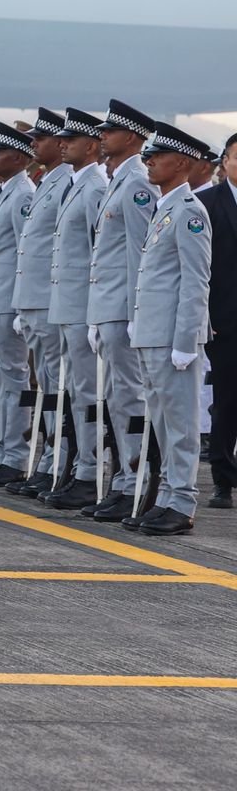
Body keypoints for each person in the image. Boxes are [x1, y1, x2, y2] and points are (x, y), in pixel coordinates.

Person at [126, 122, 213, 536]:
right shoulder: (165, 208)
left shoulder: (190, 211)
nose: (148, 162)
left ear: (180, 163)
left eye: (156, 157)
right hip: (152, 333)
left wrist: (185, 341)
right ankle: (165, 496)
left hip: (173, 338)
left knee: (180, 424)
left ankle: (182, 501)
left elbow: (195, 281)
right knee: (161, 422)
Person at [84, 99, 157, 519]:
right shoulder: (118, 181)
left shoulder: (137, 184)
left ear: (130, 137)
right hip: (107, 309)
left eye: (109, 132)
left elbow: (139, 255)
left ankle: (136, 482)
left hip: (123, 311)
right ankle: (125, 479)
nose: (102, 137)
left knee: (130, 399)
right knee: (115, 397)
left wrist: (134, 314)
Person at [41, 109, 109, 507]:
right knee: (74, 392)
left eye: (71, 139)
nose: (61, 143)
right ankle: (78, 467)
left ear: (91, 146)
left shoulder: (95, 186)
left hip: (84, 309)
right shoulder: (75, 184)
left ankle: (89, 472)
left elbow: (99, 254)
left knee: (88, 393)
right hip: (66, 307)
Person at [9, 109, 73, 496]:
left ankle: (60, 463)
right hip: (34, 302)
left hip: (54, 303)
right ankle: (50, 461)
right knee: (48, 385)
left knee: (59, 387)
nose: (35, 144)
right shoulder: (48, 181)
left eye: (41, 139)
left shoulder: (69, 183)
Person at [0, 124, 38, 487]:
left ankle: (14, 455)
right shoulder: (6, 192)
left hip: (6, 302)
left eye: (0, 151)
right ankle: (2, 450)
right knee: (0, 378)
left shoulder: (23, 195)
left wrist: (16, 307)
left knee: (13, 377)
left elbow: (23, 255)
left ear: (18, 157)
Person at [197, 133, 237, 509]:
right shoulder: (205, 204)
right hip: (225, 321)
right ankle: (223, 479)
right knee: (226, 402)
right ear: (224, 162)